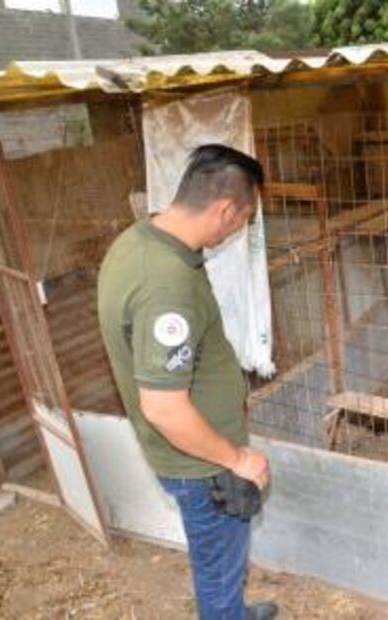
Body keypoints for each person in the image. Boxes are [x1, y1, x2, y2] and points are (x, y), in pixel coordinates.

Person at [98, 144, 278, 620]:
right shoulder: (165, 282)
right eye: (246, 218)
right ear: (225, 210)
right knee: (218, 561)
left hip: (199, 455)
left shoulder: (141, 241)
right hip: (203, 465)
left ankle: (233, 611)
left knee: (219, 556)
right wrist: (236, 458)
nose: (242, 228)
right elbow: (163, 406)